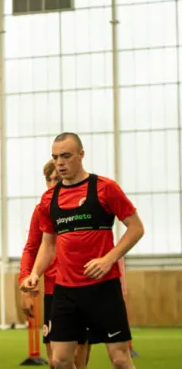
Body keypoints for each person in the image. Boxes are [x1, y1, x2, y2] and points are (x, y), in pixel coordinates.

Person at [20, 132, 145, 369]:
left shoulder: (105, 188)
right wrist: (35, 273)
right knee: (60, 360)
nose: (60, 163)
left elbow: (136, 228)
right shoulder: (49, 199)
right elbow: (48, 244)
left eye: (66, 156)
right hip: (65, 291)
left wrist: (109, 259)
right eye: (55, 157)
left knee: (119, 358)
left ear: (81, 155)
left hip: (103, 288)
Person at [18, 159, 91, 369]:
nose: (52, 184)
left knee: (78, 357)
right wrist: (25, 283)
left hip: (82, 287)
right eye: (48, 180)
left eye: (57, 179)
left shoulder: (84, 206)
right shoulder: (41, 209)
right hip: (53, 291)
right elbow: (31, 248)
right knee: (55, 361)